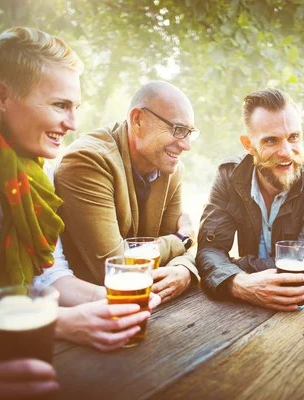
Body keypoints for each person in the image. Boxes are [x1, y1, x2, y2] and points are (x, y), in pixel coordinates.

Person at [0, 27, 159, 398]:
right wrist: (58, 323)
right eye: (60, 105)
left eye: (76, 108)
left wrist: (106, 301)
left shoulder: (36, 176)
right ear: (2, 97)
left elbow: (49, 276)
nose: (73, 124)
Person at [196, 88, 304, 311]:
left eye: (293, 137)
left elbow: (301, 270)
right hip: (244, 307)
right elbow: (210, 248)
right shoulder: (229, 175)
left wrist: (228, 269)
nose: (286, 152)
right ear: (248, 145)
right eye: (271, 140)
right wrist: (238, 284)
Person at [55, 81, 199, 304]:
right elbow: (115, 268)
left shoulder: (172, 168)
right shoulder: (87, 161)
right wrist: (182, 239)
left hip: (150, 308)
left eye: (189, 132)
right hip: (92, 312)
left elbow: (182, 256)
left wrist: (184, 269)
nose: (187, 145)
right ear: (137, 120)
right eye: (178, 130)